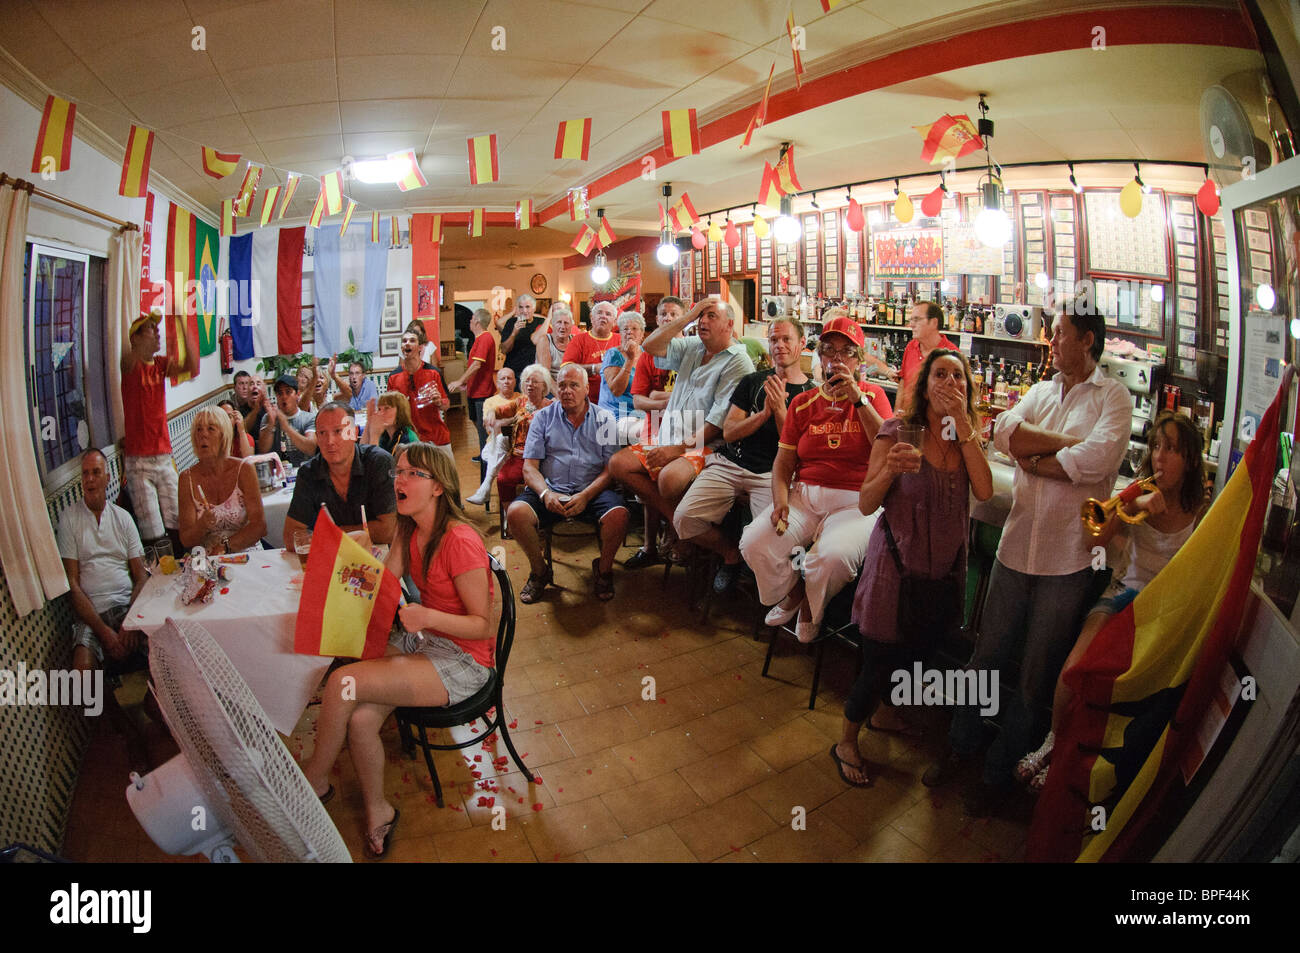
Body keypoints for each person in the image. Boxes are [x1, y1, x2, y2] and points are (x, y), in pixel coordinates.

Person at [927, 298, 1131, 817]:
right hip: (1016, 548)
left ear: (1087, 339)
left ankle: (999, 771)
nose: (1051, 341)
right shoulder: (1040, 390)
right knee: (985, 658)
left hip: (1068, 561)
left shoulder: (1114, 398)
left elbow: (1098, 459)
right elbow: (1002, 434)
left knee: (1035, 677)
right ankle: (960, 746)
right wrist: (1061, 451)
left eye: (1060, 332)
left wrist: (1039, 457)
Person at [300, 443, 494, 859]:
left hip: (462, 660)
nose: (398, 481)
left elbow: (483, 626)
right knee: (361, 719)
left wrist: (426, 617)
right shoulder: (410, 529)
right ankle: (378, 811)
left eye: (411, 474)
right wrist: (348, 564)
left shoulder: (460, 540)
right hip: (427, 643)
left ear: (438, 487)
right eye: (398, 472)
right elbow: (385, 585)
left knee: (343, 683)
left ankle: (311, 784)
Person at [1014, 410, 1205, 790]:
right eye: (1156, 447)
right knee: (1075, 668)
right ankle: (1053, 742)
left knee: (1125, 694)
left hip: (1165, 611)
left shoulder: (1201, 509)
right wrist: (1129, 507)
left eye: (1171, 449)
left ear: (1190, 460)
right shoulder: (1138, 490)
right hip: (1122, 593)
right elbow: (1093, 542)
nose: (1159, 457)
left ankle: (1082, 762)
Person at [830, 350, 993, 787]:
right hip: (895, 570)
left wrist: (964, 426)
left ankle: (883, 715)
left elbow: (985, 489)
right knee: (879, 659)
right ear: (925, 386)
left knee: (920, 653)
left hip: (942, 572)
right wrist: (889, 473)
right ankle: (846, 741)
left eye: (958, 376)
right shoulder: (899, 429)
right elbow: (866, 502)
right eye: (939, 374)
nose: (949, 382)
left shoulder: (965, 438)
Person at [739, 316, 893, 642]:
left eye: (846, 352)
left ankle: (811, 607)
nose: (837, 360)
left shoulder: (873, 395)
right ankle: (795, 589)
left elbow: (887, 442)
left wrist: (857, 399)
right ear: (819, 356)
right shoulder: (802, 402)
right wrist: (780, 500)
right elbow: (784, 462)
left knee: (832, 558)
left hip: (857, 501)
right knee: (754, 542)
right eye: (829, 351)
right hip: (804, 496)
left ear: (858, 359)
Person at [673, 317, 814, 592]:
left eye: (787, 339)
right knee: (684, 519)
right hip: (730, 463)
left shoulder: (811, 394)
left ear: (802, 345)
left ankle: (782, 597)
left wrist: (780, 413)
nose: (780, 346)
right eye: (774, 340)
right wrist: (763, 415)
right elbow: (729, 431)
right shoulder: (752, 381)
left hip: (772, 475)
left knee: (776, 538)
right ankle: (730, 554)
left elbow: (800, 450)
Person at [610, 298, 754, 569]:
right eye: (701, 316)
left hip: (706, 445)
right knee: (619, 464)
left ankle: (715, 543)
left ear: (730, 325)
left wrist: (676, 451)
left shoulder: (738, 362)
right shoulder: (693, 346)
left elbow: (717, 423)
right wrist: (689, 315)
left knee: (667, 480)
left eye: (711, 316)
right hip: (669, 437)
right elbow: (649, 346)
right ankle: (681, 525)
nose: (703, 321)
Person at [506, 363, 629, 603]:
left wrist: (586, 496)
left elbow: (610, 469)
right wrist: (545, 494)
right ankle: (540, 571)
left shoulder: (604, 419)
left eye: (574, 385)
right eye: (562, 385)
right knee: (516, 513)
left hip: (592, 491)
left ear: (586, 390)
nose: (567, 391)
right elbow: (529, 467)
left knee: (620, 515)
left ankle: (603, 570)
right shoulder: (542, 418)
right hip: (552, 489)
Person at [120, 311, 197, 545]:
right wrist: (139, 339)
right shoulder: (130, 364)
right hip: (137, 463)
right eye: (151, 329)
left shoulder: (160, 365)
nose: (158, 333)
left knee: (179, 523)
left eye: (157, 328)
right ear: (135, 338)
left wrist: (182, 323)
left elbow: (191, 366)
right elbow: (129, 355)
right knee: (152, 532)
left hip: (164, 457)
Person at [282, 402, 397, 548]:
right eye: (322, 433)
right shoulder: (309, 473)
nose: (330, 441)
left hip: (382, 557)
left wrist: (328, 534)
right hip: (336, 560)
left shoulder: (378, 462)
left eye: (338, 431)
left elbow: (388, 530)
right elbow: (291, 537)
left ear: (354, 432)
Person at [177, 407, 268, 555]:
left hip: (247, 553)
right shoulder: (186, 478)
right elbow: (186, 540)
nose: (203, 435)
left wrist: (225, 547)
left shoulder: (244, 469)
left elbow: (259, 526)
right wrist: (202, 525)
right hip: (209, 559)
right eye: (198, 430)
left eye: (211, 429)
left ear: (224, 435)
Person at [487, 363, 554, 516]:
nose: (530, 385)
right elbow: (498, 410)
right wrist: (492, 412)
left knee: (540, 483)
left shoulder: (551, 407)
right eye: (527, 381)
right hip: (519, 455)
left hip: (542, 457)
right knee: (503, 479)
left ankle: (538, 518)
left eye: (535, 381)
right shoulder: (520, 403)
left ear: (544, 386)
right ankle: (511, 518)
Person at [629, 296, 684, 443]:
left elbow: (696, 398)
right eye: (663, 314)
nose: (668, 318)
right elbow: (638, 402)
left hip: (687, 426)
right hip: (654, 425)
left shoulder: (695, 351)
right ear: (657, 320)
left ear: (683, 320)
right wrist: (665, 403)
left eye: (674, 314)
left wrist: (654, 395)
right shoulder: (647, 356)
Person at [466, 368, 524, 505]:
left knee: (501, 440)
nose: (506, 382)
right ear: (497, 383)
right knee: (500, 439)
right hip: (493, 446)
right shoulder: (490, 402)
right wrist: (512, 420)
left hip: (516, 446)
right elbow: (491, 428)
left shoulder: (521, 399)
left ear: (515, 381)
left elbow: (517, 423)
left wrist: (503, 421)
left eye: (509, 378)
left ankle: (485, 488)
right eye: (503, 379)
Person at [388, 330, 452, 453]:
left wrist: (439, 402)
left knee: (446, 472)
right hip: (409, 440)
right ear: (401, 348)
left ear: (420, 348)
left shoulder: (434, 373)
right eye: (404, 341)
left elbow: (446, 405)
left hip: (436, 438)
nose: (407, 343)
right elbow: (390, 412)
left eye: (412, 340)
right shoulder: (393, 377)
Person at [448, 309, 498, 458]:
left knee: (483, 428)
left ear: (476, 321)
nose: (469, 322)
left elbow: (476, 365)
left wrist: (460, 380)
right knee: (475, 421)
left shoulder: (485, 338)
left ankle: (487, 457)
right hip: (474, 390)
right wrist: (468, 383)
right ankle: (485, 452)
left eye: (471, 320)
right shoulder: (479, 339)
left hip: (482, 392)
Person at [894, 300, 958, 411]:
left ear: (934, 322)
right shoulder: (911, 347)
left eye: (917, 319)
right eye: (911, 320)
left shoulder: (951, 355)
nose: (911, 325)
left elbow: (955, 399)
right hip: (908, 422)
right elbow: (903, 382)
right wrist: (896, 412)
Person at [599, 311, 647, 440]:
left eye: (634, 328)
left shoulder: (647, 355)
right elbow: (616, 390)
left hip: (641, 413)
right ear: (620, 334)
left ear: (642, 334)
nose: (629, 332)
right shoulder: (613, 354)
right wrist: (630, 360)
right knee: (645, 433)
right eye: (625, 329)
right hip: (617, 413)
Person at [563, 300, 621, 404]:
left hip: (615, 402)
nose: (603, 316)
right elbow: (566, 369)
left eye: (608, 314)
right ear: (591, 318)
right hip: (584, 402)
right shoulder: (578, 340)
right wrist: (594, 368)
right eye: (599, 313)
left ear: (614, 321)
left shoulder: (621, 341)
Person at [257, 374, 317, 465]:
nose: (284, 397)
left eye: (288, 392)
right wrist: (271, 425)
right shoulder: (268, 417)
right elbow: (263, 450)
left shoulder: (309, 418)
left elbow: (311, 449)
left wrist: (287, 427)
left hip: (304, 474)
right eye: (280, 393)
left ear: (297, 394)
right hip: (277, 475)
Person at [498, 293, 545, 382]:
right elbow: (504, 350)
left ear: (534, 308)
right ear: (517, 309)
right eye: (521, 307)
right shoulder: (511, 323)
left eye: (527, 307)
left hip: (533, 373)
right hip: (513, 372)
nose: (524, 311)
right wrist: (514, 333)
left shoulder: (541, 322)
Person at [362, 391, 419, 456]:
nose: (380, 413)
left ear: (400, 412)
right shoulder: (385, 434)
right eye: (379, 409)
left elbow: (377, 464)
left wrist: (375, 436)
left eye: (386, 408)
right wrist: (369, 421)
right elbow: (362, 452)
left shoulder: (407, 438)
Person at [532, 301, 575, 380]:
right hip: (549, 383)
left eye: (559, 309)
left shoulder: (574, 333)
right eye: (553, 310)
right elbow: (535, 341)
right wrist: (548, 319)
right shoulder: (545, 329)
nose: (556, 312)